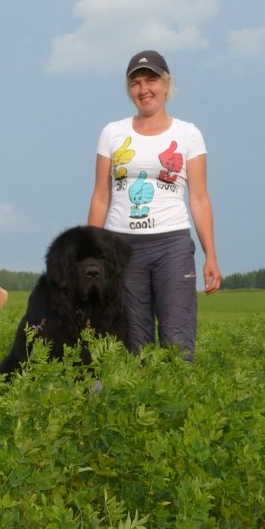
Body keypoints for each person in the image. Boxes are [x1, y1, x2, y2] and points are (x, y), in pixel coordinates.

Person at [87, 50, 220, 361]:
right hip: (121, 248)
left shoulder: (188, 134)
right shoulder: (112, 133)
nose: (144, 89)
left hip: (171, 246)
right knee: (134, 343)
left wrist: (210, 255)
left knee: (177, 341)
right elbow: (100, 196)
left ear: (166, 84)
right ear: (129, 88)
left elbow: (199, 199)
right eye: (136, 83)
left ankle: (176, 406)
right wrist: (91, 255)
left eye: (151, 81)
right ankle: (139, 409)